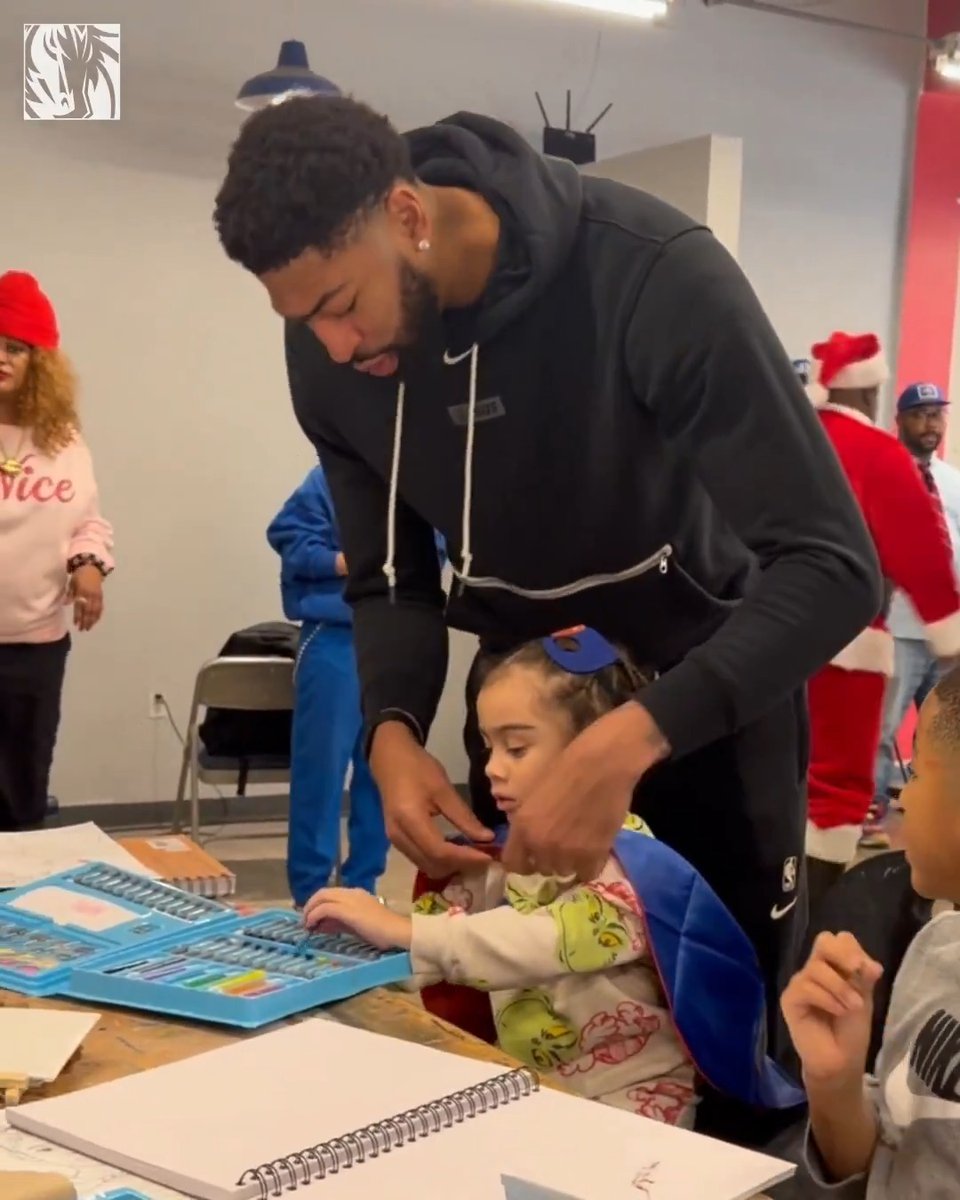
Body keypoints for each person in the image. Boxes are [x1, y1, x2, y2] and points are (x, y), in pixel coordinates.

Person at [213, 96, 881, 1055]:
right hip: (528, 725)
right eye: (299, 319)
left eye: (340, 306)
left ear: (408, 216)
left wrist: (623, 747)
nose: (334, 348)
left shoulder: (653, 274)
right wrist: (393, 731)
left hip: (706, 715)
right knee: (540, 1034)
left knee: (728, 1059)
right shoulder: (329, 353)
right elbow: (392, 576)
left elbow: (833, 567)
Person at [305, 627, 802, 1124]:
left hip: (633, 1105)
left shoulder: (632, 872)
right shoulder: (501, 858)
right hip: (538, 1090)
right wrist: (358, 951)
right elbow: (443, 952)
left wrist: (406, 932)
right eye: (487, 748)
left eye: (516, 749)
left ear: (593, 753)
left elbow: (540, 939)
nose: (492, 769)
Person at [782, 664, 960, 1198]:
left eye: (919, 773)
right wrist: (836, 1085)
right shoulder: (936, 948)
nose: (903, 799)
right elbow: (881, 1168)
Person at [802, 335, 960, 910]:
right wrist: (948, 626)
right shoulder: (875, 452)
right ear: (872, 390)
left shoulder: (783, 442)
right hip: (848, 641)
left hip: (758, 636)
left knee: (771, 769)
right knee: (835, 783)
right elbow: (918, 547)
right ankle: (816, 910)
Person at [0, 271, 113, 831]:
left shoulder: (62, 440)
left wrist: (88, 567)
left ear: (37, 361)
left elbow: (87, 523)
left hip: (37, 643)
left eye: (14, 348)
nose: (1, 359)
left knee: (23, 786)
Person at [267, 464, 389, 903]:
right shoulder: (330, 478)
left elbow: (436, 550)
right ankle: (311, 893)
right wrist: (344, 561)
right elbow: (288, 534)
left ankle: (364, 889)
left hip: (394, 636)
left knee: (384, 771)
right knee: (321, 773)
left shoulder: (418, 477)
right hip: (335, 636)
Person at [867, 383, 960, 848]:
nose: (931, 424)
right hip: (899, 625)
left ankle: (937, 818)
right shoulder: (882, 474)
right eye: (920, 415)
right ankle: (874, 816)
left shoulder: (954, 481)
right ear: (900, 420)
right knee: (882, 727)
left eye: (937, 415)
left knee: (945, 726)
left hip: (949, 632)